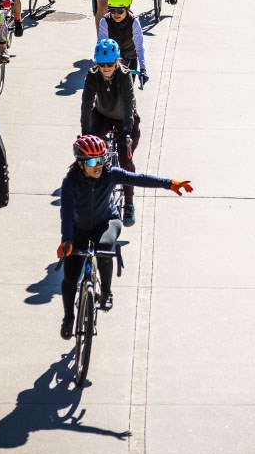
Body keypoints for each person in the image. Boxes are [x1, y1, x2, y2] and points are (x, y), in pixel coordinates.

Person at [57, 134, 193, 339]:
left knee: (105, 247)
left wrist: (169, 183)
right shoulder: (70, 182)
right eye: (93, 162)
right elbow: (66, 212)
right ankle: (68, 318)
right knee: (69, 277)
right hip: (78, 228)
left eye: (102, 159)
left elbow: (138, 179)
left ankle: (106, 293)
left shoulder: (110, 174)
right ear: (80, 163)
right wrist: (66, 239)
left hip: (106, 222)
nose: (98, 166)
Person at [81, 38, 140, 226]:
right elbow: (86, 103)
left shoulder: (123, 75)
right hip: (103, 114)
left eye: (109, 64)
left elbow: (130, 103)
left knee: (125, 159)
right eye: (101, 64)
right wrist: (85, 132)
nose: (105, 68)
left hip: (125, 118)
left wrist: (127, 131)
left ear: (116, 62)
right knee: (90, 151)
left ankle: (129, 203)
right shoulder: (92, 75)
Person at [98, 0, 147, 81]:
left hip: (130, 58)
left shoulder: (134, 22)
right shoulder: (104, 21)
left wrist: (143, 69)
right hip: (111, 61)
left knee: (128, 91)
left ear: (127, 8)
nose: (116, 14)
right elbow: (102, 45)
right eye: (112, 10)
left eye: (120, 11)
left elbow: (139, 46)